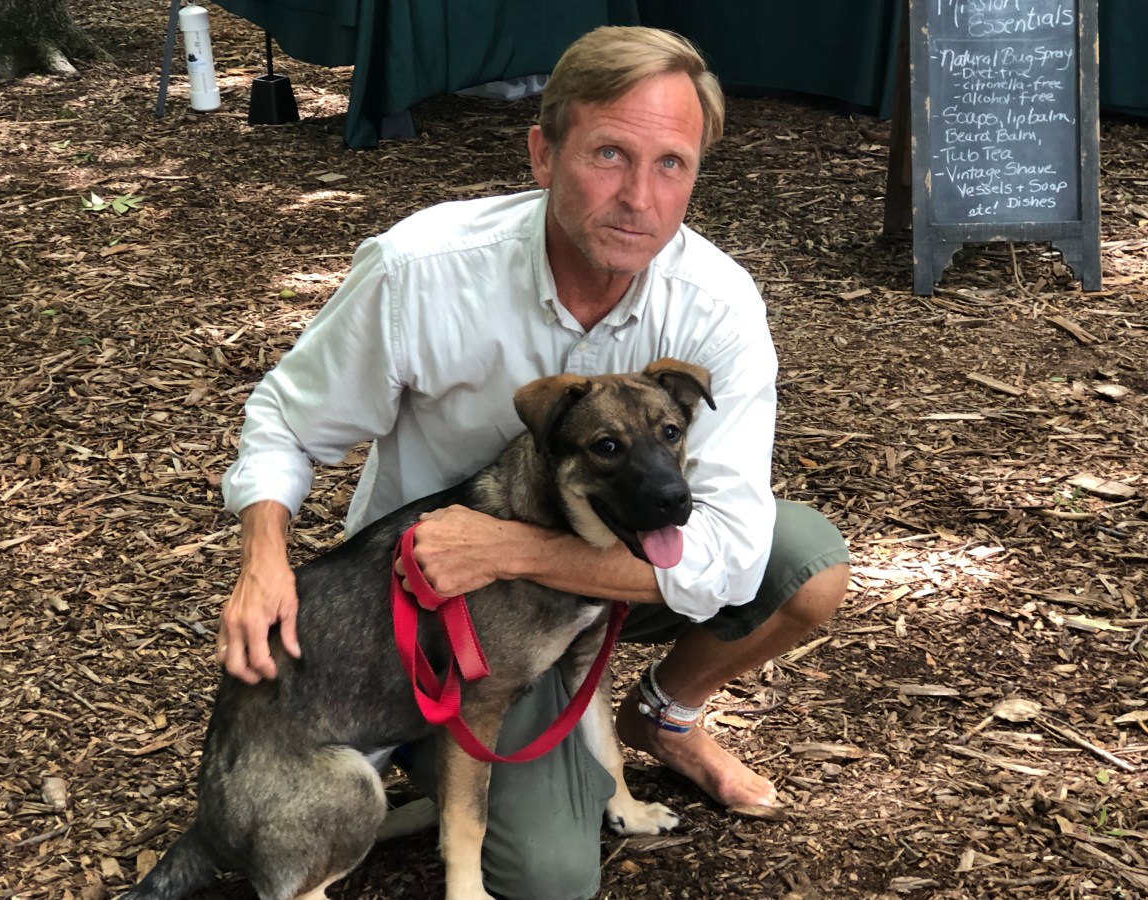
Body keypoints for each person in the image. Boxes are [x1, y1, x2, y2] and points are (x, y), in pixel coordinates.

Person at [218, 25, 849, 900]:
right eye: (609, 154)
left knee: (803, 563)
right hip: (428, 609)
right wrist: (262, 561)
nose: (639, 197)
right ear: (543, 154)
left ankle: (665, 716)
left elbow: (731, 557)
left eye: (672, 164)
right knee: (550, 879)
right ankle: (413, 741)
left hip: (575, 566)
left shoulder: (716, 306)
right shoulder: (423, 271)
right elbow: (285, 421)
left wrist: (511, 550)